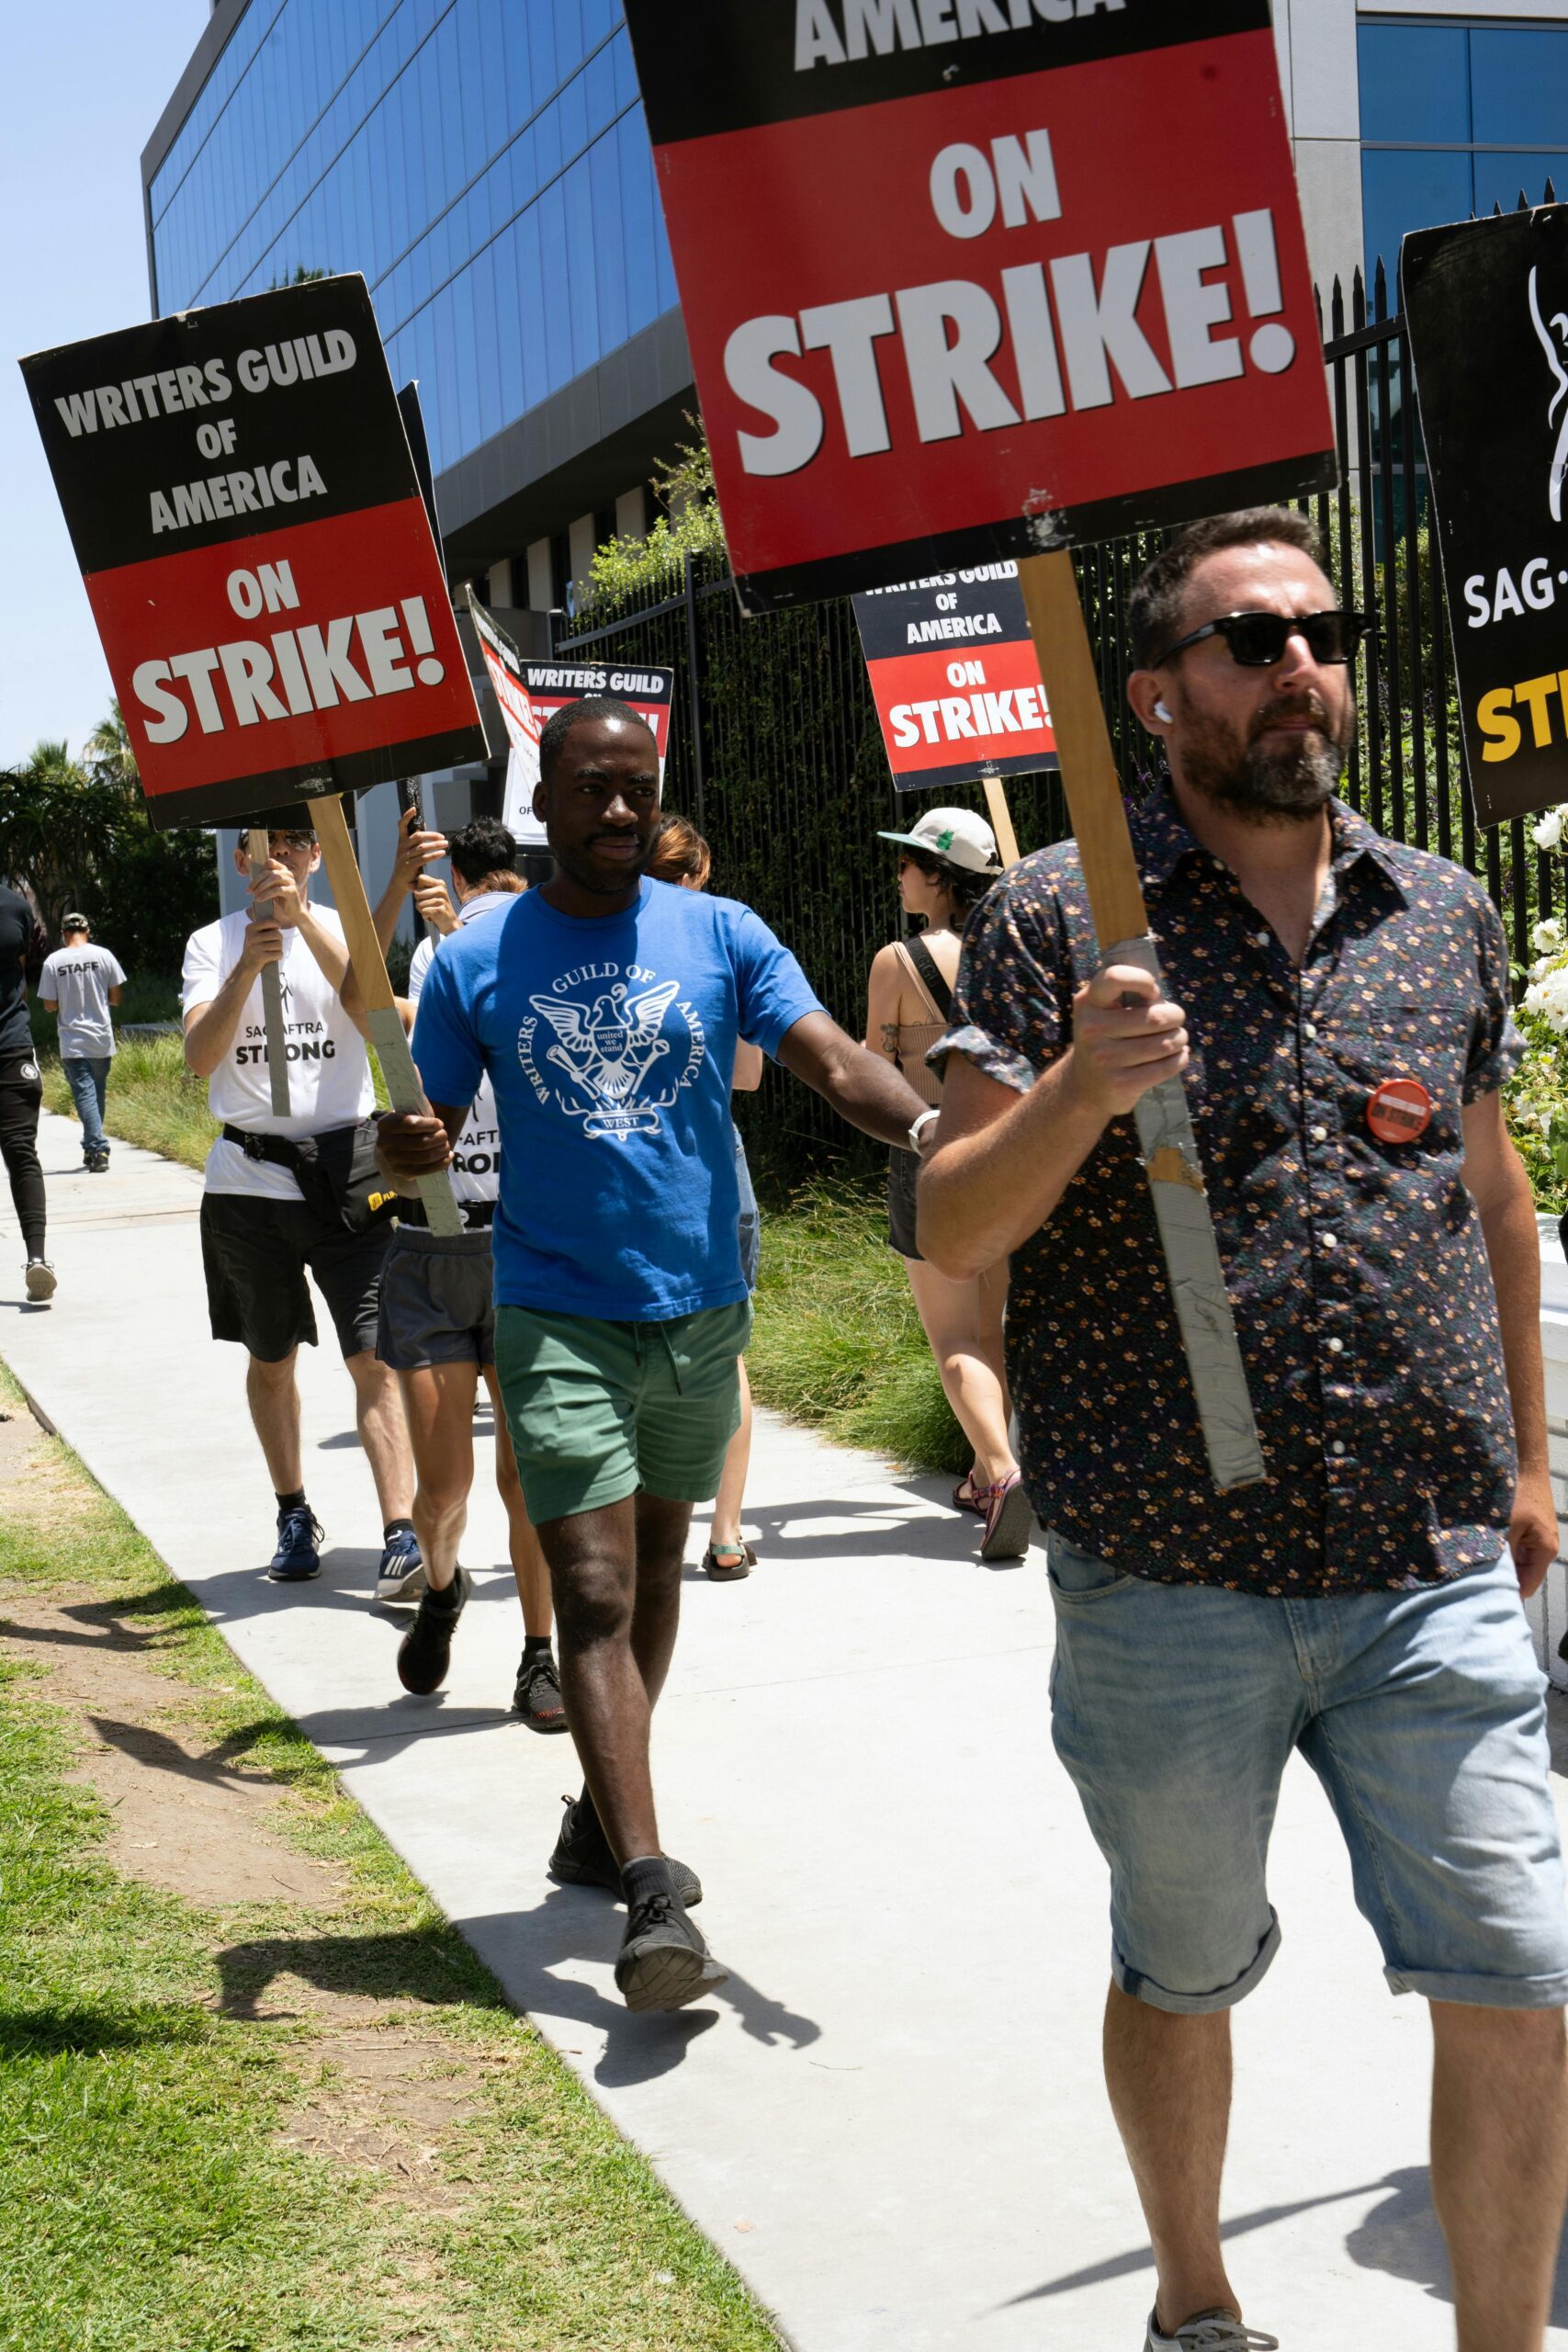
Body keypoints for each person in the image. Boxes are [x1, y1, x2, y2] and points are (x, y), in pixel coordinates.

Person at [919, 507, 1568, 2352]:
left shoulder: (1437, 908)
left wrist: (1526, 1463)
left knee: (1518, 1973)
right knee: (1184, 1963)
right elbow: (953, 1230)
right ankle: (1194, 2292)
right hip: (1167, 1573)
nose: (1297, 662)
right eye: (1246, 637)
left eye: (1316, 629)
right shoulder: (1056, 916)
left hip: (1422, 1557)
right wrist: (1079, 1080)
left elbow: (1493, 1198)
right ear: (1152, 693)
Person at [377, 698, 932, 2013]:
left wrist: (934, 1141)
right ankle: (651, 1889)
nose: (617, 812)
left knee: (661, 1563)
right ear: (544, 802)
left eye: (637, 790)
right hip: (554, 1307)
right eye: (592, 790)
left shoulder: (720, 932)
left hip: (699, 1307)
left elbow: (835, 1065)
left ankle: (596, 1815)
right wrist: (404, 1145)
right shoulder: (474, 959)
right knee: (596, 1586)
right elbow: (430, 1126)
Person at [355, 811, 566, 1730]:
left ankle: (537, 1655)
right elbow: (356, 991)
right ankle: (441, 1587)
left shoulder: (547, 977)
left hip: (522, 1251)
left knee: (531, 1481)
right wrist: (400, 889)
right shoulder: (428, 974)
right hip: (433, 1247)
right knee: (444, 1491)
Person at [181, 809, 420, 1596]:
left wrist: (306, 926)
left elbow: (371, 1009)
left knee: (375, 1356)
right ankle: (292, 1510)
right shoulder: (211, 944)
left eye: (294, 842)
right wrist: (247, 967)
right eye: (263, 844)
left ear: (317, 854)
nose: (278, 856)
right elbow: (197, 1060)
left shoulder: (341, 931)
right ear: (242, 855)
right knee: (272, 1356)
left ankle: (400, 1531)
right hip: (249, 1182)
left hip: (351, 1171)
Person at [865, 807, 1029, 1563]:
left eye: (907, 861)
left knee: (952, 1334)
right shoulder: (1012, 945)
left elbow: (872, 1067)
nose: (897, 872)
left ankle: (1000, 1473)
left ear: (936, 872)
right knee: (991, 1325)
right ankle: (979, 1470)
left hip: (927, 1149)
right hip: (1005, 1147)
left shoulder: (895, 961)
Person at [646, 813, 761, 1581]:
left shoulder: (605, 943)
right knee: (726, 1356)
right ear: (696, 875)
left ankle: (645, 1530)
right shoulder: (720, 943)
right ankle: (724, 1533)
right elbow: (748, 1075)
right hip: (713, 1167)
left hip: (621, 1179)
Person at [39, 912, 126, 1173]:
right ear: (87, 931)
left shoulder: (53, 961)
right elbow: (116, 999)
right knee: (95, 1092)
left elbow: (49, 1005)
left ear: (64, 934)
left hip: (73, 1040)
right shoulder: (104, 955)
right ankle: (91, 1148)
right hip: (101, 1038)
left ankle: (99, 1148)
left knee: (85, 1095)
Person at [0, 878, 51, 1299]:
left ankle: (38, 1260)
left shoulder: (15, 905)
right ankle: (37, 1257)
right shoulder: (16, 905)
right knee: (21, 1152)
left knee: (20, 1151)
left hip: (11, 1044)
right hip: (11, 1044)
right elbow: (20, 971)